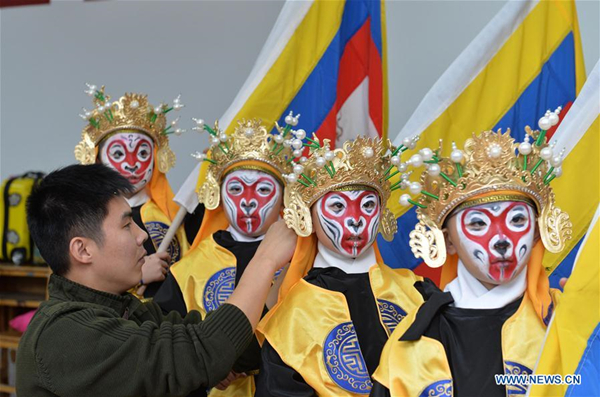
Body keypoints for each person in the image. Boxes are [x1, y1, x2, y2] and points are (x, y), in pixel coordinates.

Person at [16, 164, 296, 397]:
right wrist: (265, 259)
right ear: (83, 250)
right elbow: (199, 353)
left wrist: (284, 271)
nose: (142, 236)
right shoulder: (63, 335)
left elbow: (225, 347)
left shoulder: (127, 309)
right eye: (127, 225)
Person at [371, 126, 572, 396]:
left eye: (517, 220)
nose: (501, 239)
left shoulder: (562, 319)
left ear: (537, 231)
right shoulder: (415, 338)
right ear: (448, 240)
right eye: (478, 223)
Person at [255, 135, 425, 396]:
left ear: (382, 213)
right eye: (338, 206)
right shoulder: (291, 315)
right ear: (309, 216)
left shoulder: (418, 292)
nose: (355, 220)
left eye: (367, 205)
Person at [154, 116, 300, 396]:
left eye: (263, 189)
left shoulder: (299, 260)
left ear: (284, 196)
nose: (247, 200)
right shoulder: (190, 268)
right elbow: (167, 336)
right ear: (218, 196)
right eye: (235, 188)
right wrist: (207, 363)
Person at [74, 84, 204, 298]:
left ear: (156, 158)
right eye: (118, 153)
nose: (132, 163)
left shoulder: (176, 214)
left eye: (142, 153)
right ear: (97, 159)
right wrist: (139, 277)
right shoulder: (86, 218)